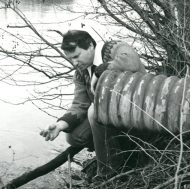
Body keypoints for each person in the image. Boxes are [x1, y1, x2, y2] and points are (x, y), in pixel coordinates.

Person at [39, 29, 145, 180]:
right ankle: (116, 151)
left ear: (90, 46)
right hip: (114, 118)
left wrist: (100, 71)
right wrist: (60, 125)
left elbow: (133, 62)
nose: (74, 62)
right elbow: (79, 104)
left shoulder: (113, 48)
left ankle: (109, 171)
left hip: (139, 111)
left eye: (76, 56)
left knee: (94, 111)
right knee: (73, 137)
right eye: (71, 59)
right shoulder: (81, 73)